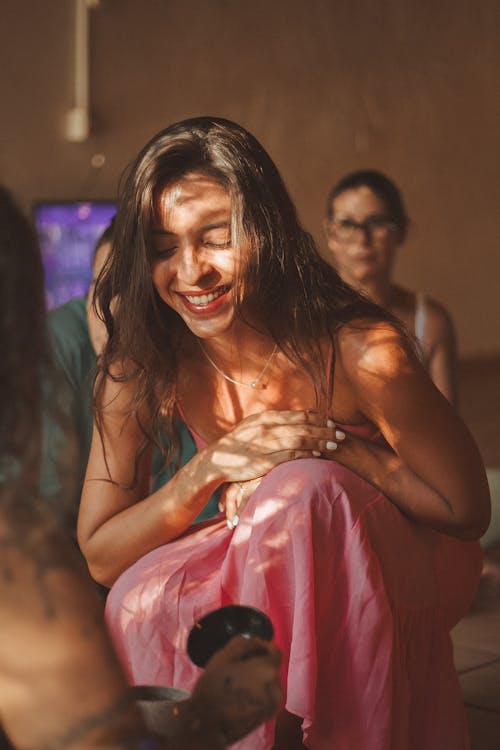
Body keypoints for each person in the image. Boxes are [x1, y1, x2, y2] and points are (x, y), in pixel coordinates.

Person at [77, 118, 490, 749]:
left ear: (265, 231)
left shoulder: (358, 346)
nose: (191, 272)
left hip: (405, 552)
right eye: (163, 248)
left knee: (302, 491)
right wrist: (213, 467)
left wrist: (330, 446)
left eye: (216, 239)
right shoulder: (142, 360)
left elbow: (467, 510)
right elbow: (102, 555)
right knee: (139, 596)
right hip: (265, 537)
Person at [0, 185, 283, 750]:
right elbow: (92, 546)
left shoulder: (205, 362)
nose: (114, 313)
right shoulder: (20, 566)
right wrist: (205, 721)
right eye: (101, 295)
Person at [41, 221, 217, 538]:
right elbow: (42, 502)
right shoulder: (61, 342)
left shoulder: (204, 356)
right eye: (102, 288)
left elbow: (205, 520)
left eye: (134, 293)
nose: (113, 310)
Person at [323, 170, 458, 405]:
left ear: (402, 230)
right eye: (347, 224)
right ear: (330, 234)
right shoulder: (305, 314)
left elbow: (451, 431)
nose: (362, 239)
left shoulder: (429, 322)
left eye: (376, 223)